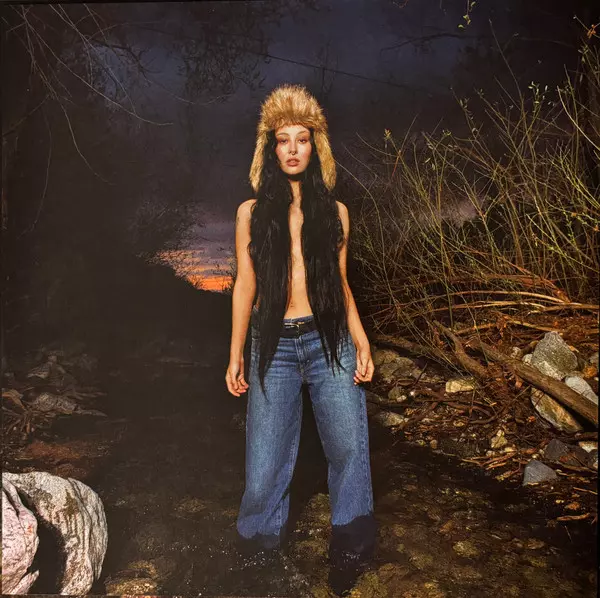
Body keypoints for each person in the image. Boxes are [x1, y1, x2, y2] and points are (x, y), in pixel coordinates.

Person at [225, 84, 376, 596]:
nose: (293, 149)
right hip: (274, 346)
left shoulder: (336, 212)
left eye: (302, 139)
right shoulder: (249, 212)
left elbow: (341, 283)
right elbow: (245, 286)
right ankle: (257, 550)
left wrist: (361, 340)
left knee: (348, 446)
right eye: (283, 140)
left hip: (328, 338)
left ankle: (351, 546)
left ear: (316, 147)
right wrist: (236, 353)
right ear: (270, 149)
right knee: (264, 464)